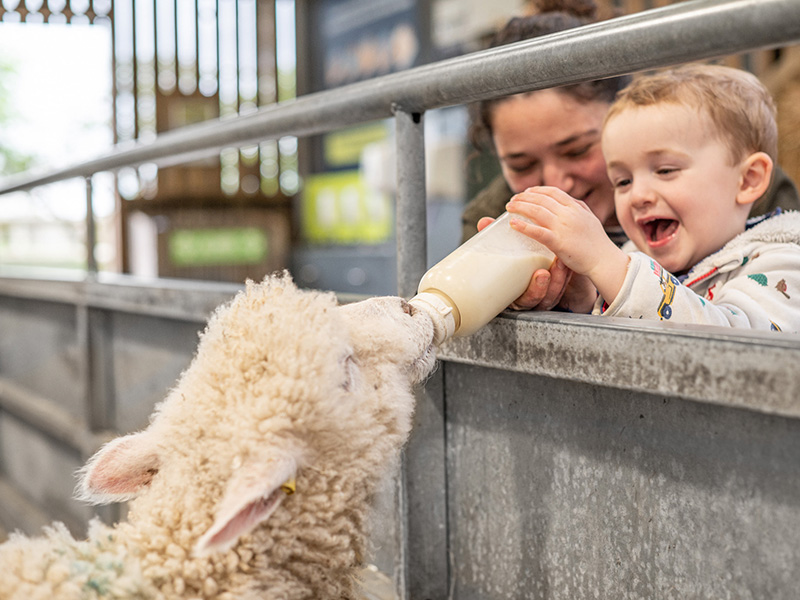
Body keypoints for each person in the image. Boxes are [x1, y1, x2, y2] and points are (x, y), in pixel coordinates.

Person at [463, 0, 800, 311]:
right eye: (522, 164)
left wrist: (602, 262)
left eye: (578, 149)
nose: (555, 182)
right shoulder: (495, 219)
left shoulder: (769, 232)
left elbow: (733, 341)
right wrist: (576, 302)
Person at [505, 64, 800, 331]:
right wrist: (583, 300)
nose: (638, 196)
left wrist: (607, 264)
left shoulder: (781, 264)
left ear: (748, 180)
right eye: (623, 181)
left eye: (666, 170)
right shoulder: (633, 255)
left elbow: (736, 352)